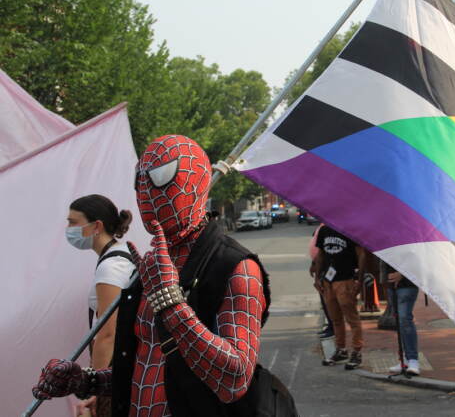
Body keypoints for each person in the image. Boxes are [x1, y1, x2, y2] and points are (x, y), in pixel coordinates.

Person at [32, 135, 291, 416]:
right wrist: (87, 380)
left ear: (195, 182)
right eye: (139, 180)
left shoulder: (236, 268)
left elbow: (234, 380)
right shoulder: (151, 265)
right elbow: (147, 365)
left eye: (160, 178)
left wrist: (172, 305)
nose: (146, 193)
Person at [67, 194, 135, 416]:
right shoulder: (118, 256)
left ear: (96, 226)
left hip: (113, 370)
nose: (69, 228)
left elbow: (108, 332)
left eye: (73, 222)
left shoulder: (111, 267)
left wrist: (95, 387)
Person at [314, 225, 364, 370]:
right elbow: (321, 254)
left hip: (345, 279)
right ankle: (341, 349)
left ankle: (357, 351)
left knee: (352, 318)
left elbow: (361, 254)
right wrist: (318, 277)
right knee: (335, 319)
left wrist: (359, 279)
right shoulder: (324, 230)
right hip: (328, 280)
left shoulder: (351, 228)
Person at [384, 262, 420, 376]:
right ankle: (405, 359)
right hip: (391, 284)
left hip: (407, 283)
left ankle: (413, 360)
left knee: (405, 319)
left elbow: (415, 257)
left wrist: (402, 273)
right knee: (400, 322)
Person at [308, 223, 334, 339]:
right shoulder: (322, 227)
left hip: (327, 268)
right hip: (320, 267)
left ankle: (333, 327)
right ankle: (330, 325)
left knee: (329, 301)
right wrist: (313, 264)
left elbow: (321, 252)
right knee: (324, 300)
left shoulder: (330, 227)